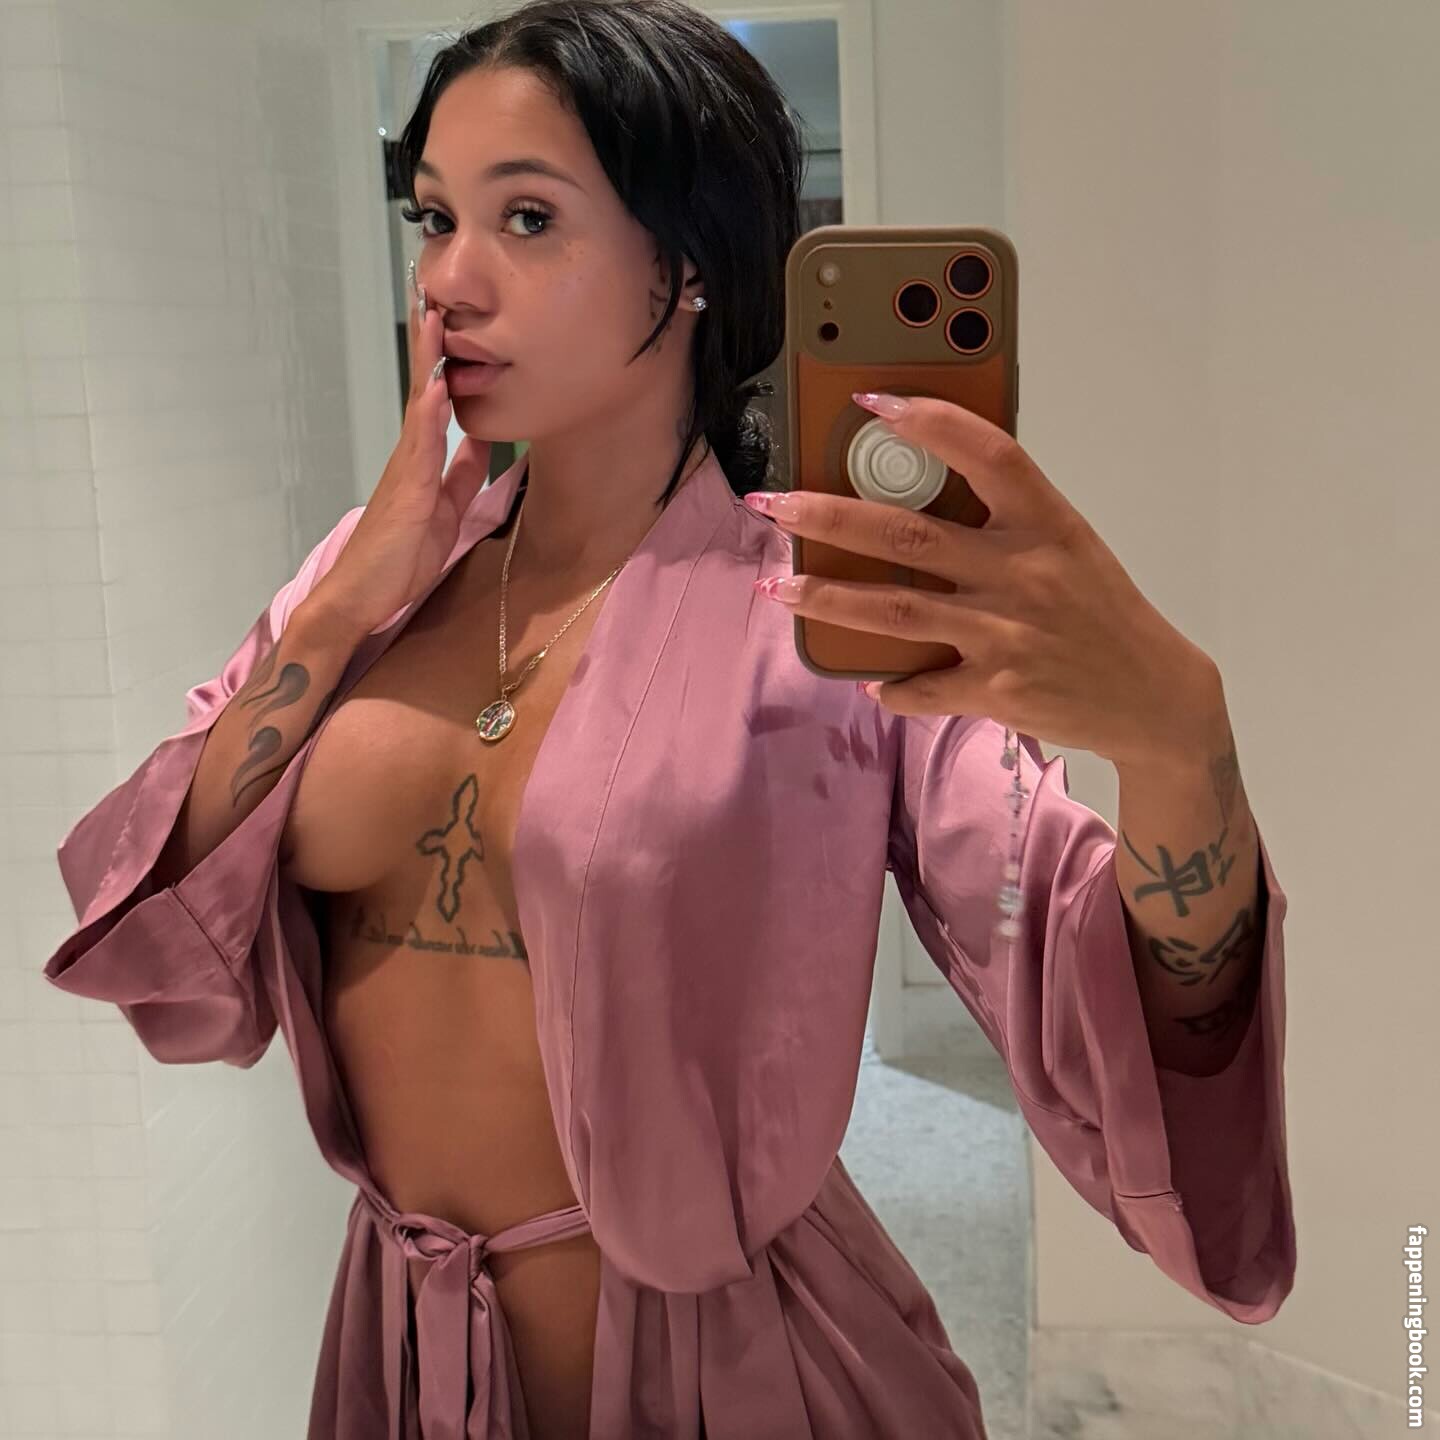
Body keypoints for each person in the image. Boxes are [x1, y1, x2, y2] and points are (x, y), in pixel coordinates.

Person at [42, 3, 1296, 1437]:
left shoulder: (822, 614)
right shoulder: (370, 577)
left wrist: (1176, 742)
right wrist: (333, 616)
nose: (447, 279)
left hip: (737, 1373)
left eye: (527, 218)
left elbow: (1085, 966)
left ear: (689, 263)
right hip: (407, 1363)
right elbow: (160, 953)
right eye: (434, 217)